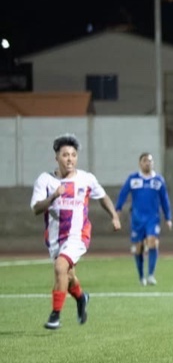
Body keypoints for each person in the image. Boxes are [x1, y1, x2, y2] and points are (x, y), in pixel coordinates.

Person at [32, 133, 121, 330]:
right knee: (69, 276)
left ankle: (55, 315)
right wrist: (53, 197)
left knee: (60, 267)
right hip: (55, 237)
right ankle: (81, 298)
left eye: (73, 154)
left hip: (78, 235)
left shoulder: (86, 179)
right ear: (57, 157)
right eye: (65, 155)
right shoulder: (45, 180)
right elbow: (37, 208)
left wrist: (114, 216)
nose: (70, 158)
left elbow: (103, 197)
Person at [115, 152, 173, 285]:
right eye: (145, 161)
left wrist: (168, 217)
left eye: (150, 161)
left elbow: (165, 199)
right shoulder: (133, 179)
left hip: (153, 218)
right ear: (140, 163)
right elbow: (123, 194)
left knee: (153, 243)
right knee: (138, 248)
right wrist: (117, 209)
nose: (148, 163)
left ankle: (151, 275)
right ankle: (141, 276)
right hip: (137, 218)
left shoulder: (158, 180)